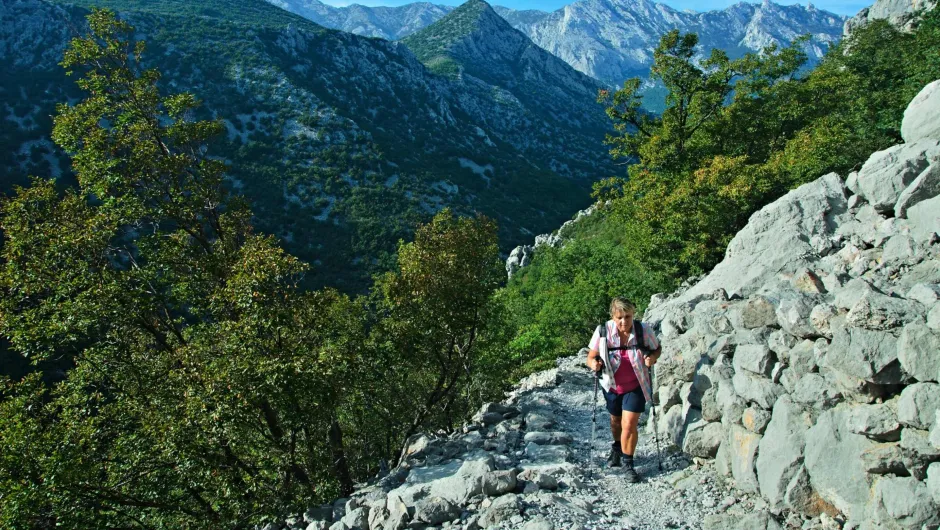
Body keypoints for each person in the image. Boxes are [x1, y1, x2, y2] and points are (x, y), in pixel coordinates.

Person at [586, 297, 661, 483]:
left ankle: (629, 465)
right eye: (619, 317)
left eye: (627, 316)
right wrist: (594, 364)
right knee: (616, 421)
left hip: (636, 385)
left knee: (629, 424)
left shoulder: (643, 330)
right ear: (613, 316)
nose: (624, 321)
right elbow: (591, 356)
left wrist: (652, 357)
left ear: (633, 314)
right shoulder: (603, 331)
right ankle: (617, 446)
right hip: (611, 385)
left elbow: (656, 349)